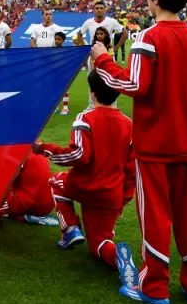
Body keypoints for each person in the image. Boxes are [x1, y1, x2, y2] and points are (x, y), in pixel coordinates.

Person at [92, 0, 187, 304]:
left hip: (154, 148)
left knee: (156, 216)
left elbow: (136, 85)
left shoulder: (149, 38)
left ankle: (155, 288)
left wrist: (102, 59)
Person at [34, 71, 138, 289]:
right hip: (111, 195)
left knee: (56, 182)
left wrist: (44, 149)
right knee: (100, 243)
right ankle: (117, 256)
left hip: (84, 186)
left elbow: (79, 155)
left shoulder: (86, 119)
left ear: (92, 93)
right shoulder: (128, 124)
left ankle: (70, 228)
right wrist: (124, 198)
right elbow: (132, 168)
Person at [0, 152, 56, 226]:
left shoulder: (18, 152)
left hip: (28, 203)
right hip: (48, 204)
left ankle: (19, 216)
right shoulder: (37, 148)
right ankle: (34, 216)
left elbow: (5, 180)